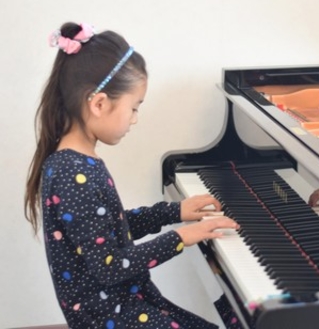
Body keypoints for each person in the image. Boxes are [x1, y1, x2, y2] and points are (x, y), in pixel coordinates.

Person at [24, 22, 239, 329]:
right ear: (99, 104)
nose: (135, 119)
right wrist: (182, 237)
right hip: (110, 317)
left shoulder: (78, 162)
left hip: (125, 302)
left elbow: (112, 228)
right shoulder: (72, 173)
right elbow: (110, 266)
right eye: (134, 108)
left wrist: (173, 212)